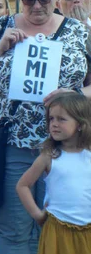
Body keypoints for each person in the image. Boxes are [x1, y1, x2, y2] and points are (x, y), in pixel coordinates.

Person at [0, 0, 91, 254]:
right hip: (13, 145)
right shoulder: (0, 26)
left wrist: (73, 94)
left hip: (67, 149)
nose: (36, 6)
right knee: (14, 230)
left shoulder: (79, 31)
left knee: (63, 224)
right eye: (28, 0)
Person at [16, 93, 91, 254]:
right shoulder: (49, 156)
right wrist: (37, 214)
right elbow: (22, 185)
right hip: (57, 231)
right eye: (51, 119)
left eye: (61, 119)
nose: (54, 124)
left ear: (80, 124)